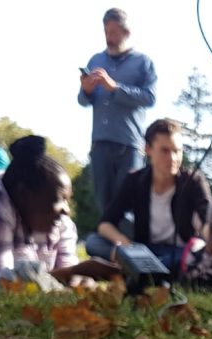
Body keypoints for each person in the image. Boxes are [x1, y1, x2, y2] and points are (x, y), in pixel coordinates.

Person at [0, 135, 119, 287]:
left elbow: (64, 281)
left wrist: (78, 279)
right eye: (59, 200)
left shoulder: (56, 221)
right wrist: (73, 272)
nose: (66, 211)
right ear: (23, 194)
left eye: (67, 200)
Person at [88, 118, 211, 276]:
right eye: (165, 151)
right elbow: (105, 224)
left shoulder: (193, 181)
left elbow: (208, 220)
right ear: (148, 149)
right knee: (93, 242)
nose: (173, 158)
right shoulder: (135, 180)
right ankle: (142, 267)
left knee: (196, 252)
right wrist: (126, 246)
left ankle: (138, 270)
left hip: (182, 251)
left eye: (177, 151)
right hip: (143, 249)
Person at [78, 8, 157, 214]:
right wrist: (86, 90)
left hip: (129, 146)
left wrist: (115, 87)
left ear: (126, 33)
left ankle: (128, 246)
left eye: (113, 32)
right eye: (106, 32)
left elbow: (150, 97)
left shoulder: (143, 63)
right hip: (100, 146)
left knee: (129, 207)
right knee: (104, 207)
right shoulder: (96, 61)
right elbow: (83, 100)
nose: (109, 37)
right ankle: (105, 245)